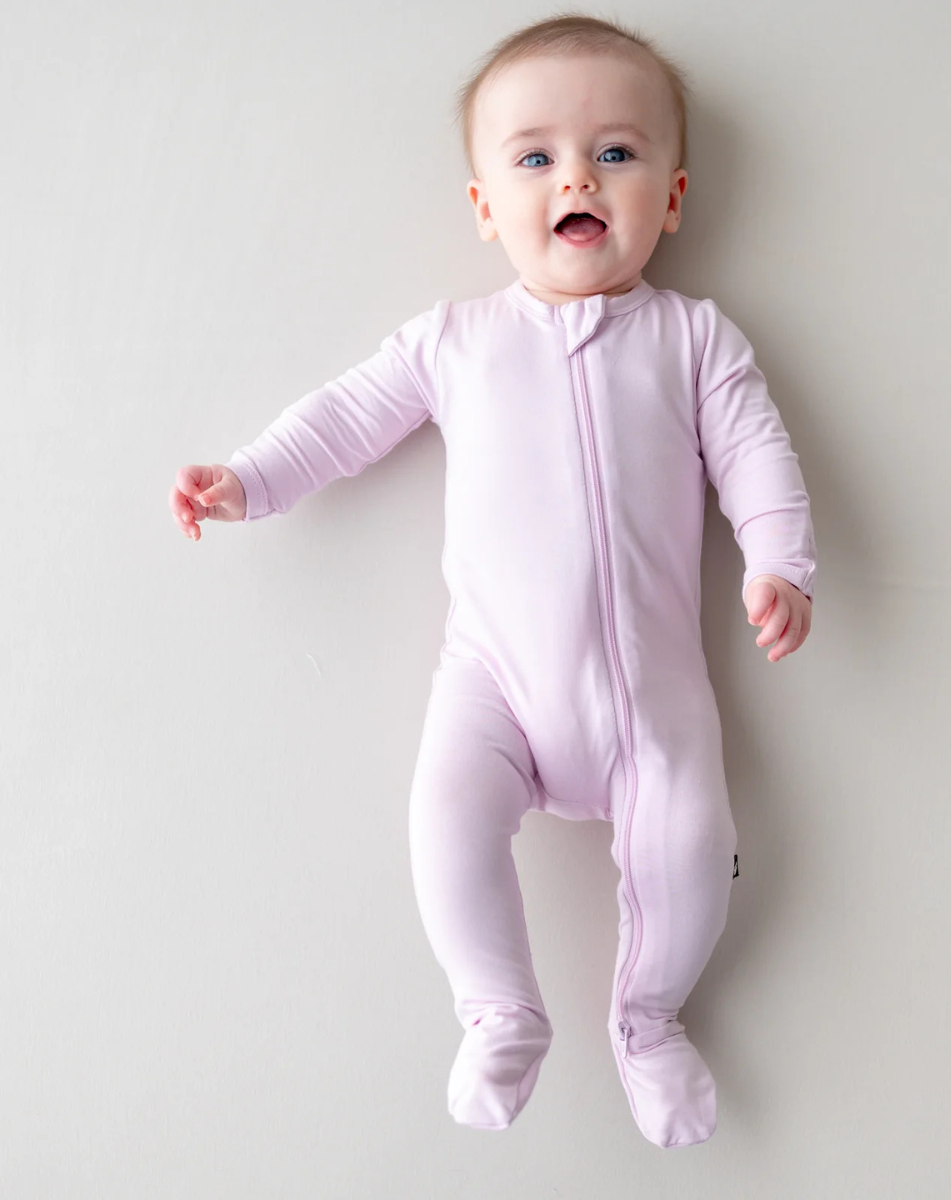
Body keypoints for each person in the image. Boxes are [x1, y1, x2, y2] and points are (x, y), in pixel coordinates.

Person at [167, 13, 816, 1149]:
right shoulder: (454, 342)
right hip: (495, 687)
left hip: (655, 703)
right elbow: (347, 418)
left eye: (615, 152)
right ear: (484, 207)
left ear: (671, 198)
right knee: (445, 820)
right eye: (536, 158)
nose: (577, 177)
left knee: (693, 850)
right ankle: (498, 1007)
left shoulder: (694, 341)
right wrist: (251, 479)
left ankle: (649, 1017)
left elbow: (758, 452)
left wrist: (779, 561)